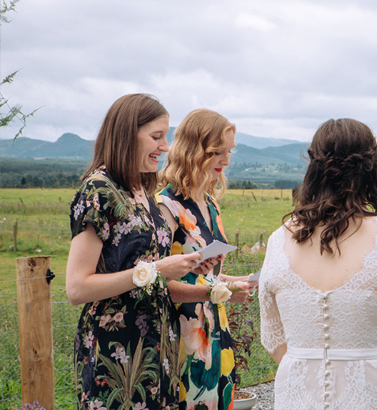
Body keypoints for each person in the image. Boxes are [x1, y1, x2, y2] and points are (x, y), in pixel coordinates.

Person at [259, 118, 377, 409]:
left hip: (298, 395)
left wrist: (305, 363)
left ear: (313, 167)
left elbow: (273, 339)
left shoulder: (279, 240)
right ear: (371, 167)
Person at [67, 94, 203, 409]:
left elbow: (154, 276)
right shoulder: (99, 191)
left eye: (166, 136)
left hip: (158, 356)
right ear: (127, 135)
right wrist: (156, 270)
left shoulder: (142, 190)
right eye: (156, 136)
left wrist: (187, 271)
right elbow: (76, 288)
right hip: (117, 359)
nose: (166, 146)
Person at [157, 109, 258, 410]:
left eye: (229, 152)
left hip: (216, 330)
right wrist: (216, 291)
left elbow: (204, 275)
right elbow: (158, 281)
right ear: (192, 150)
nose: (226, 161)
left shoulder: (211, 204)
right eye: (217, 152)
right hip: (183, 335)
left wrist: (233, 283)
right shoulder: (166, 207)